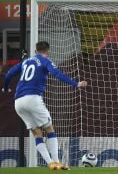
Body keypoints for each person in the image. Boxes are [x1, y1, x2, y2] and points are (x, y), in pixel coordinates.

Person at [2, 41, 87, 170]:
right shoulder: (45, 61)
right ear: (48, 52)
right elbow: (57, 73)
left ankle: (50, 163)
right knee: (49, 129)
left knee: (37, 133)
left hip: (18, 102)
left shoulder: (25, 62)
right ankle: (57, 162)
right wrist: (76, 84)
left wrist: (6, 88)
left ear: (35, 51)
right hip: (33, 98)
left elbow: (8, 74)